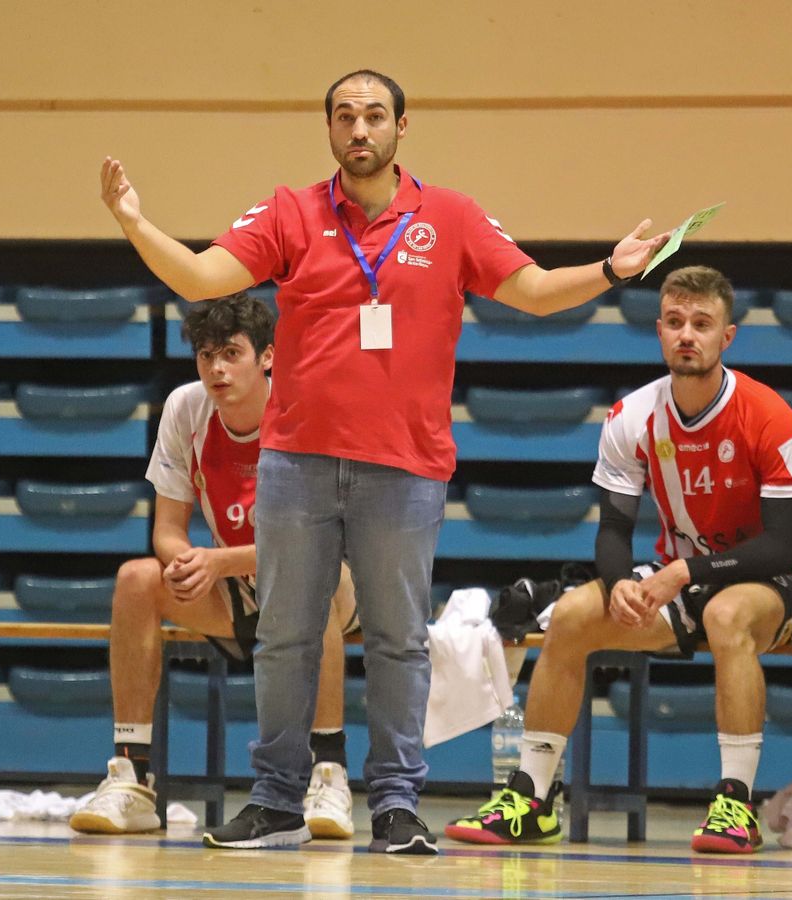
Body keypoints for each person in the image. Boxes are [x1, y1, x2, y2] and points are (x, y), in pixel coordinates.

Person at [99, 68, 668, 854]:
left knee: (398, 639)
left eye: (373, 116)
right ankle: (276, 799)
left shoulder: (452, 217)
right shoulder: (291, 212)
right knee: (286, 637)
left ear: (404, 127)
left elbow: (532, 291)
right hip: (295, 463)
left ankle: (397, 805)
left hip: (405, 469)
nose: (358, 129)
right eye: (344, 116)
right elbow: (201, 276)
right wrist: (134, 222)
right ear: (328, 130)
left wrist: (611, 269)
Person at [445, 266, 792, 854]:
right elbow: (615, 527)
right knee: (570, 615)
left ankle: (735, 804)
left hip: (775, 581)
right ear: (659, 331)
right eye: (675, 322)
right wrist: (620, 583)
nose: (686, 335)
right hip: (683, 579)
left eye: (702, 323)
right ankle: (532, 798)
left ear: (728, 337)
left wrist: (683, 572)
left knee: (726, 615)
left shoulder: (768, 414)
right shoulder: (632, 417)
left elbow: (783, 543)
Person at [68, 295, 360, 841]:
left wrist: (219, 560)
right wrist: (185, 563)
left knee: (308, 582)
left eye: (231, 353)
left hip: (331, 582)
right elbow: (167, 530)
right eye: (206, 356)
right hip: (240, 589)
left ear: (268, 357)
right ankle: (132, 776)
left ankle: (328, 772)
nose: (217, 369)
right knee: (137, 579)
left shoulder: (305, 409)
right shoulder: (186, 409)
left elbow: (317, 542)